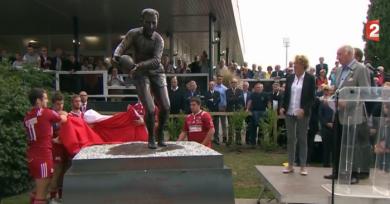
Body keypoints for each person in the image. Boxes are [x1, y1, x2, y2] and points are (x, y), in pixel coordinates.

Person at [113, 8, 170, 149]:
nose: (151, 26)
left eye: (154, 23)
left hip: (156, 71)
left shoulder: (159, 40)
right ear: (142, 21)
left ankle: (160, 133)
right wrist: (116, 56)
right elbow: (122, 46)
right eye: (148, 22)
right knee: (150, 109)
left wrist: (138, 66)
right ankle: (150, 137)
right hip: (140, 73)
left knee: (166, 107)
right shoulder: (133, 34)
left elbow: (156, 61)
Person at [323, 45, 371, 184]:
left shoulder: (360, 69)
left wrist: (348, 103)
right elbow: (338, 89)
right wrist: (332, 93)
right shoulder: (338, 70)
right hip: (339, 113)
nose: (337, 57)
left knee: (352, 145)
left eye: (340, 54)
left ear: (349, 54)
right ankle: (337, 171)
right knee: (338, 142)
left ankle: (354, 173)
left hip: (354, 114)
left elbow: (365, 92)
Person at [24, 88, 67, 204]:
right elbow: (63, 119)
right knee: (41, 196)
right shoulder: (46, 112)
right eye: (45, 98)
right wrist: (64, 114)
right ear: (38, 100)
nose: (47, 101)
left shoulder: (28, 116)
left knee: (37, 191)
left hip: (32, 154)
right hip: (42, 155)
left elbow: (41, 131)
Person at [280, 55, 316, 175]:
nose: (295, 65)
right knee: (291, 139)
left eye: (297, 63)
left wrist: (304, 110)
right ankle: (290, 165)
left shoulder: (310, 78)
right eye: (294, 63)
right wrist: (282, 107)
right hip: (290, 112)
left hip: (302, 113)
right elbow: (285, 94)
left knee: (302, 138)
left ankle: (303, 166)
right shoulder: (290, 77)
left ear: (303, 65)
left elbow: (312, 98)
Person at [49, 92, 71, 203]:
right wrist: (52, 140)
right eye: (58, 104)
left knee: (64, 171)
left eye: (61, 104)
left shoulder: (64, 113)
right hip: (55, 147)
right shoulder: (48, 115)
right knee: (57, 171)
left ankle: (62, 196)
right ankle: (52, 197)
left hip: (65, 146)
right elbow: (43, 133)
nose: (60, 106)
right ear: (53, 104)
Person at [246, 82, 271, 147]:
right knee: (252, 129)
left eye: (259, 87)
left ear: (262, 88)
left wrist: (270, 110)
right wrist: (247, 109)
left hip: (263, 112)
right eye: (257, 87)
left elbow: (268, 103)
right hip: (253, 113)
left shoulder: (265, 94)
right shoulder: (252, 94)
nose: (258, 88)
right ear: (255, 88)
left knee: (262, 128)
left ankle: (260, 143)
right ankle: (253, 143)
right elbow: (249, 102)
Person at [319, 86, 334, 167]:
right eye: (327, 90)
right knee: (326, 147)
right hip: (325, 127)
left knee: (334, 146)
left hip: (335, 127)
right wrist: (326, 123)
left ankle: (334, 164)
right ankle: (326, 164)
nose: (328, 92)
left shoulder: (335, 101)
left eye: (330, 90)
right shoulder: (322, 102)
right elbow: (320, 115)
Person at [226, 78, 245, 145]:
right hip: (229, 110)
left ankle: (238, 141)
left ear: (237, 83)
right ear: (231, 83)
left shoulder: (240, 91)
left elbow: (241, 100)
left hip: (238, 110)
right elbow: (228, 100)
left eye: (235, 82)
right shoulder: (227, 91)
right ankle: (230, 140)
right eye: (232, 82)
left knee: (238, 126)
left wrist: (233, 98)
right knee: (230, 126)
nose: (234, 83)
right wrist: (237, 98)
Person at [214, 75, 228, 144]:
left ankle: (224, 137)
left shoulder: (225, 88)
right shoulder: (214, 87)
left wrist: (225, 106)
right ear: (216, 80)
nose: (219, 80)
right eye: (218, 79)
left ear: (222, 80)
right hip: (216, 107)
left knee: (223, 123)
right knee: (216, 123)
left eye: (220, 79)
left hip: (222, 107)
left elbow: (226, 98)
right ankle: (216, 138)